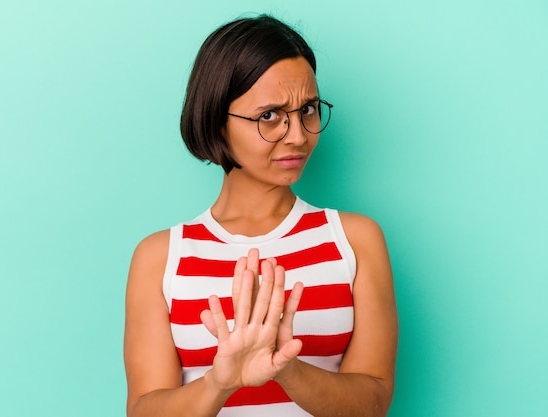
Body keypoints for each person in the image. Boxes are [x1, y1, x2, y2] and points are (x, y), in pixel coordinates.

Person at [124, 15, 398, 417]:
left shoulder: (355, 239)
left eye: (308, 109)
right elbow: (144, 409)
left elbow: (372, 404)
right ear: (217, 120)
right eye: (269, 115)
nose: (298, 135)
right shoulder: (161, 258)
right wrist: (219, 383)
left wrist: (287, 369)